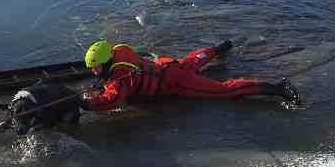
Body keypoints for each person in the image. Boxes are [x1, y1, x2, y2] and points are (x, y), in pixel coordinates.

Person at [80, 40, 302, 111]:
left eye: (96, 67)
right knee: (191, 62)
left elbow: (113, 99)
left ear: (107, 61)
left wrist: (87, 105)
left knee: (223, 91)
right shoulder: (119, 52)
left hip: (174, 82)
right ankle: (217, 49)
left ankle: (278, 88)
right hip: (166, 66)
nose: (93, 71)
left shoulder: (121, 74)